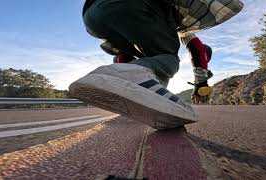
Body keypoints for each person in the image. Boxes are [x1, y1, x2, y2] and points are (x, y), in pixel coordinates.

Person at [70, 0, 244, 129]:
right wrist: (201, 83)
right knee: (167, 56)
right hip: (132, 6)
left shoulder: (149, 30)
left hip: (92, 18)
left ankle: (134, 92)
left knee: (140, 58)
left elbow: (123, 57)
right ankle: (140, 85)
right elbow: (198, 50)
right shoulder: (174, 23)